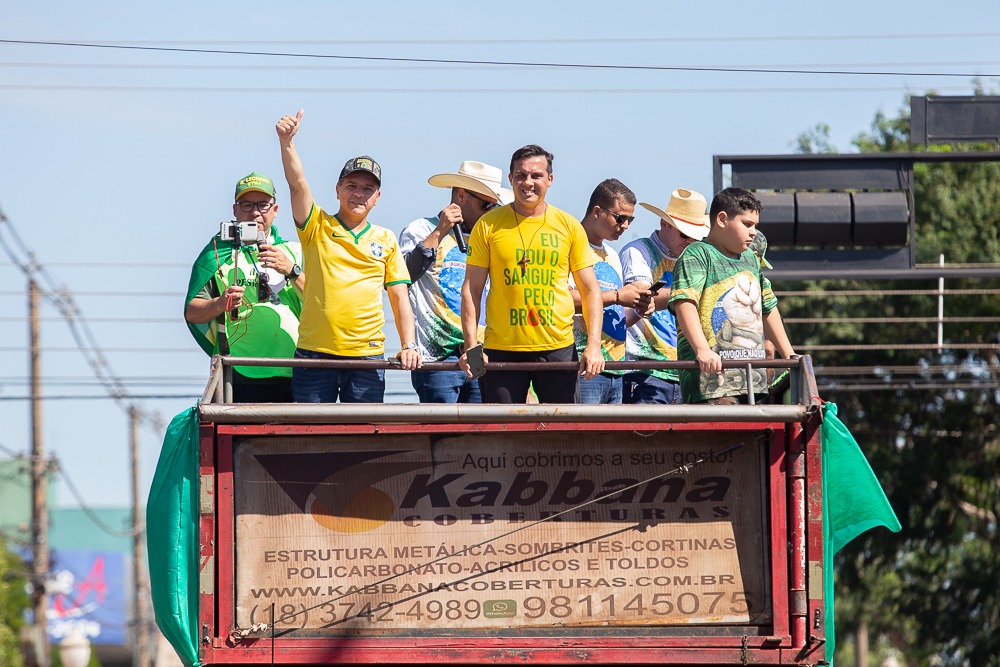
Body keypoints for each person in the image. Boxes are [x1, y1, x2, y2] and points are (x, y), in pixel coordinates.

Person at [275, 109, 421, 403]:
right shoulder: (316, 225)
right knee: (311, 437)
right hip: (314, 353)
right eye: (352, 186)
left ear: (377, 197)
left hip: (365, 357)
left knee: (362, 439)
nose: (359, 194)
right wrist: (286, 142)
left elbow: (399, 296)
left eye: (368, 188)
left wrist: (409, 345)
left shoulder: (386, 238)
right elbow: (297, 184)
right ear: (338, 190)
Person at [458, 144, 604, 403]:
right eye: (521, 175)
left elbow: (590, 290)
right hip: (502, 348)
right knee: (502, 430)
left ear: (550, 179)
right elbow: (472, 288)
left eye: (536, 176)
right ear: (511, 178)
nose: (528, 182)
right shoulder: (488, 225)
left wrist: (593, 346)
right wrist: (471, 344)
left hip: (557, 347)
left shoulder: (568, 225)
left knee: (560, 431)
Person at [669, 187, 797, 404]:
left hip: (753, 380)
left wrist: (789, 355)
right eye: (747, 224)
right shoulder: (697, 254)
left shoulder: (750, 259)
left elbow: (768, 306)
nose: (753, 232)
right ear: (721, 219)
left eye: (755, 225)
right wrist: (702, 350)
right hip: (712, 383)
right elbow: (685, 303)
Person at [184, 172, 304, 402]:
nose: (255, 212)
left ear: (275, 210)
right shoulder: (217, 253)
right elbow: (192, 312)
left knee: (292, 438)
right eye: (247, 204)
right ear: (235, 210)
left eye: (263, 205)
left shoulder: (295, 251)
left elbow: (321, 302)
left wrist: (291, 269)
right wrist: (220, 303)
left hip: (295, 366)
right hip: (239, 370)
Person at [400, 161, 512, 403]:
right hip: (437, 355)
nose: (491, 212)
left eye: (496, 207)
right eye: (486, 205)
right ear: (461, 195)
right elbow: (403, 276)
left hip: (477, 351)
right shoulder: (420, 229)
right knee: (441, 432)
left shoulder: (488, 240)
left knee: (478, 431)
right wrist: (440, 232)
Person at [619, 188, 710, 404]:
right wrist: (687, 294)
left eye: (695, 237)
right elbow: (642, 296)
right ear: (664, 224)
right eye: (685, 234)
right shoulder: (638, 250)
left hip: (683, 371)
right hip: (644, 370)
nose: (690, 241)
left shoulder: (691, 257)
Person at [570, 178, 654, 404]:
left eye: (630, 219)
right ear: (597, 211)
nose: (626, 226)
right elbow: (563, 299)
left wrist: (638, 308)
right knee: (582, 438)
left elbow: (616, 318)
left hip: (616, 369)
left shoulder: (613, 254)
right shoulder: (569, 245)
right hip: (583, 365)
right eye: (620, 218)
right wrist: (617, 296)